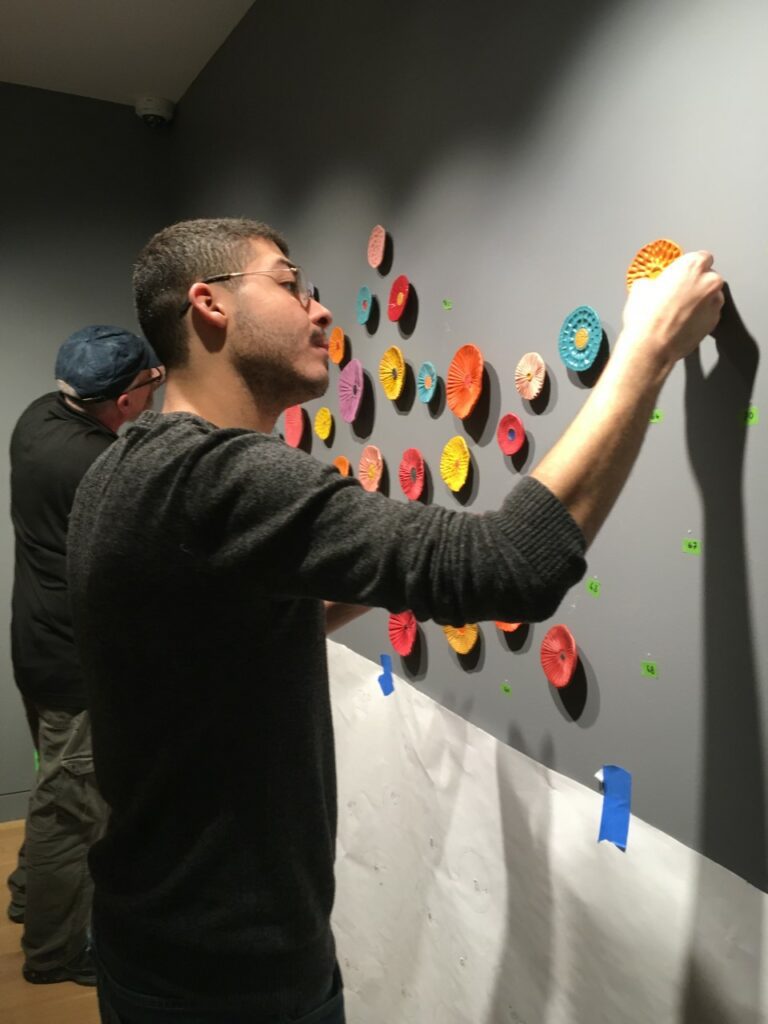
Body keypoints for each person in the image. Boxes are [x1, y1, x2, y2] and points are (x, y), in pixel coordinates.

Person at [66, 218, 723, 1024]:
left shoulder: (127, 468)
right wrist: (649, 347)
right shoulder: (222, 475)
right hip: (231, 977)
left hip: (154, 938)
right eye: (290, 282)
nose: (320, 311)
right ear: (210, 305)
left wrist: (393, 565)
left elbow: (239, 638)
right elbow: (514, 569)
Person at [7, 325, 165, 987]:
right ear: (122, 403)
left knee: (59, 788)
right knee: (68, 811)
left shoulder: (36, 419)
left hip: (37, 643)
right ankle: (55, 951)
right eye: (148, 385)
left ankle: (30, 891)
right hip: (74, 663)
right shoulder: (97, 467)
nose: (156, 391)